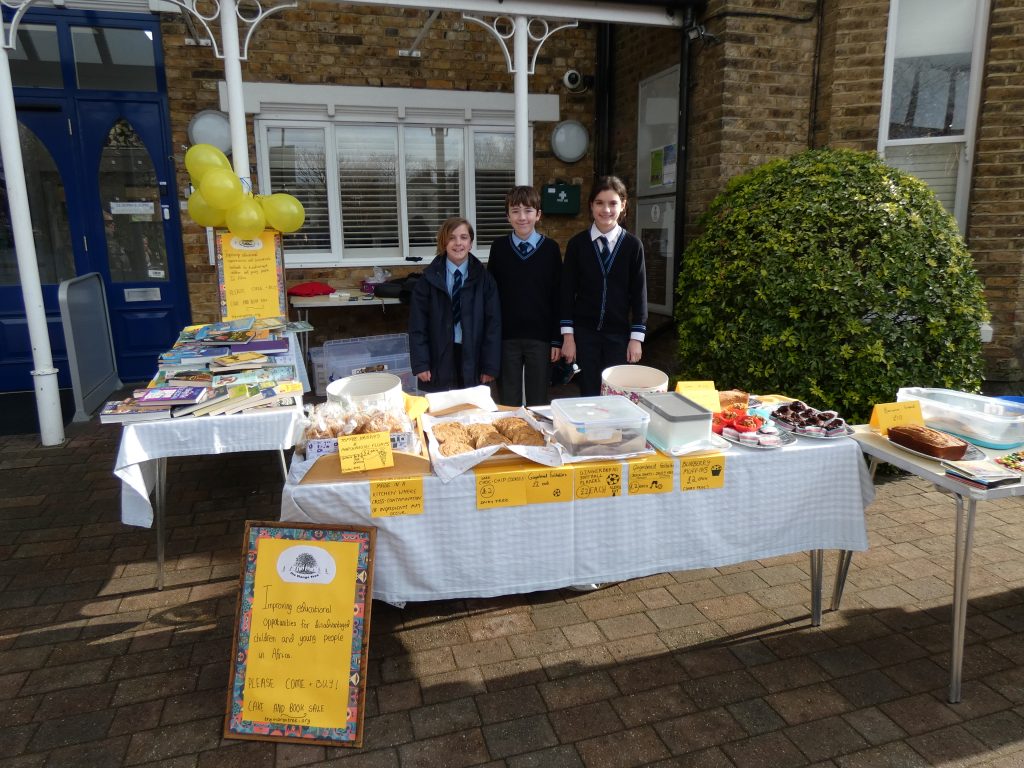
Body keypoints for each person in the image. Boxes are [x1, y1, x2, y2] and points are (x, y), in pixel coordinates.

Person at [559, 176, 648, 397]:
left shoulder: (632, 246)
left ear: (623, 205)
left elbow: (639, 294)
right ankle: (590, 433)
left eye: (612, 203)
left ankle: (613, 434)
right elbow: (566, 292)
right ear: (591, 205)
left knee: (616, 395)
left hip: (618, 336)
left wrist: (636, 339)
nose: (606, 209)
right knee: (588, 393)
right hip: (584, 335)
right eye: (599, 202)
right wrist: (568, 337)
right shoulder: (577, 245)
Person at [487, 186, 562, 406]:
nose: (522, 217)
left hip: (540, 337)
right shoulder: (499, 248)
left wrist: (557, 338)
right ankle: (510, 437)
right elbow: (492, 296)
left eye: (528, 210)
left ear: (538, 214)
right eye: (515, 211)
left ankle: (537, 437)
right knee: (508, 398)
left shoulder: (550, 249)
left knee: (538, 399)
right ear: (507, 216)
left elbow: (558, 295)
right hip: (506, 337)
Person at [409, 216, 501, 392]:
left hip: (473, 356)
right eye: (452, 237)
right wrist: (421, 363)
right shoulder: (428, 280)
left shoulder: (485, 280)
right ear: (443, 242)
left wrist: (489, 366)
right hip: (439, 355)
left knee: (472, 411)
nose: (458, 243)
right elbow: (417, 326)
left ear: (471, 243)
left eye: (464, 237)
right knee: (442, 412)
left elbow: (493, 326)